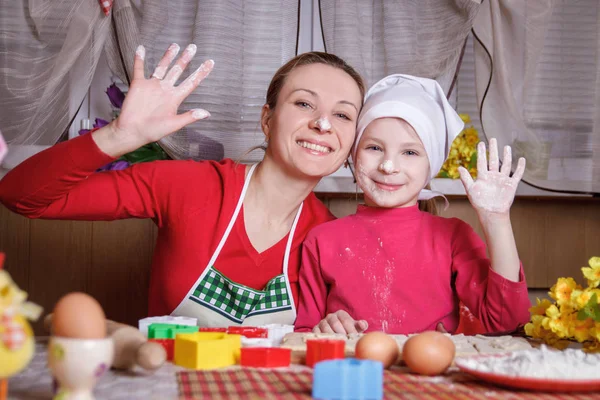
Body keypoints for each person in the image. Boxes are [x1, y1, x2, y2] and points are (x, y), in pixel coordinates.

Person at [0, 43, 365, 328]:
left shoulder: (331, 239)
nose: (323, 124)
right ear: (267, 119)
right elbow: (22, 197)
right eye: (304, 103)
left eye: (343, 115)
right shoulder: (190, 186)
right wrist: (117, 137)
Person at [295, 74, 531, 335]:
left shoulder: (453, 237)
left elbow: (506, 321)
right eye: (374, 148)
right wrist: (325, 326)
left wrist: (497, 220)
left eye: (410, 153)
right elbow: (305, 333)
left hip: (431, 376)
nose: (388, 166)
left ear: (431, 165)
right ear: (353, 154)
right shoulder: (321, 241)